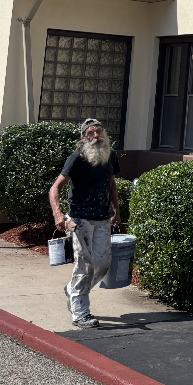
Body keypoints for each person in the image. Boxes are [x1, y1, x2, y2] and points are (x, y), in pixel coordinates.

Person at [49, 119, 120, 329]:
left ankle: (72, 290)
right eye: (91, 133)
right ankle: (80, 313)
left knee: (103, 265)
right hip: (79, 220)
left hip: (103, 218)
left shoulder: (111, 156)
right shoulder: (77, 159)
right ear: (84, 138)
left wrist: (117, 211)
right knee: (85, 266)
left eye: (99, 132)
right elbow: (55, 188)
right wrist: (58, 214)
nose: (96, 136)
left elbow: (111, 183)